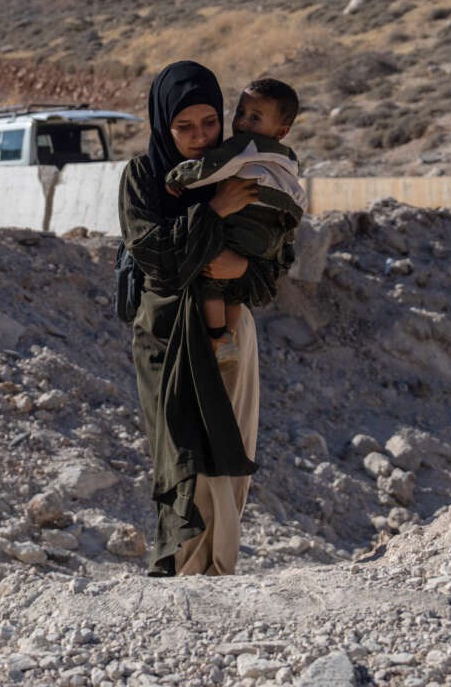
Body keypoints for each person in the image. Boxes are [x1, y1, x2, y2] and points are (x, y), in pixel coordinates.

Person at [119, 61, 291, 576]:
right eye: (184, 127)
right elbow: (156, 261)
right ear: (162, 125)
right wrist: (211, 212)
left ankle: (220, 569)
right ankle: (180, 564)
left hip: (230, 337)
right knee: (180, 452)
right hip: (166, 333)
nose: (198, 138)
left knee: (226, 452)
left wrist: (242, 267)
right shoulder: (144, 178)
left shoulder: (245, 168)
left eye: (209, 124)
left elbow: (274, 265)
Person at [164, 78, 305, 365]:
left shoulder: (244, 145)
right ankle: (230, 335)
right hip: (274, 230)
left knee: (212, 278)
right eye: (240, 113)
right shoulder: (288, 157)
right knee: (235, 292)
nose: (242, 122)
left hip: (247, 219)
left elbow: (213, 168)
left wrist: (178, 177)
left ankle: (218, 336)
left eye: (255, 117)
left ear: (282, 129)